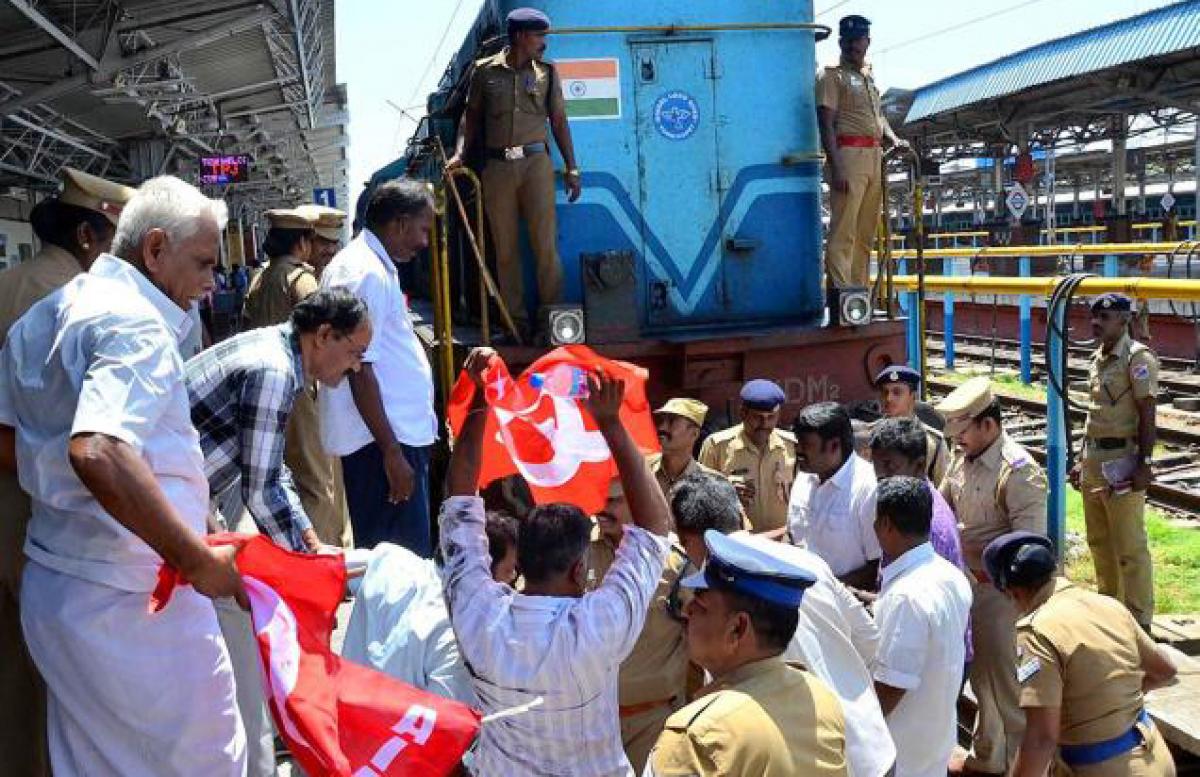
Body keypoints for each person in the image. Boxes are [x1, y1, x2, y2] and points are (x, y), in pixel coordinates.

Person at [0, 176, 246, 776]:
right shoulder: (135, 324)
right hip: (134, 599)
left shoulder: (45, 315)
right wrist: (193, 555)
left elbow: (10, 439)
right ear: (155, 249)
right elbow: (99, 449)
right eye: (204, 264)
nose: (212, 284)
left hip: (59, 587)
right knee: (206, 761)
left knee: (95, 762)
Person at [441, 348, 670, 776]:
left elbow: (458, 506)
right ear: (579, 570)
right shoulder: (597, 627)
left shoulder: (479, 615)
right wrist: (610, 423)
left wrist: (480, 401)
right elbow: (656, 529)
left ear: (521, 561)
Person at [0, 166, 134, 777]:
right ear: (88, 236)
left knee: (14, 666)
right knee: (63, 667)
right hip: (41, 509)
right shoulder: (70, 303)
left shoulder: (10, 281)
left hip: (9, 502)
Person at [672, 473, 894, 777]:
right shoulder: (806, 561)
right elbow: (870, 640)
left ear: (686, 540)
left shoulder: (716, 598)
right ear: (741, 515)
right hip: (872, 749)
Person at [646, 530, 848, 776]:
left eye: (700, 605)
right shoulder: (821, 699)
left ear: (737, 629)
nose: (687, 611)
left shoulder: (697, 737)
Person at [982, 532, 1177, 777]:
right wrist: (1112, 697)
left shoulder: (1037, 632)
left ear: (1013, 592)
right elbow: (1165, 671)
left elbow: (1042, 738)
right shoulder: (1108, 605)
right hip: (1154, 758)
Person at [447, 7, 581, 336]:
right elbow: (471, 117)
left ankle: (553, 322)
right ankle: (516, 324)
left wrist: (572, 167)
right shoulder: (484, 72)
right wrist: (460, 152)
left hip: (536, 165)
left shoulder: (548, 72)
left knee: (544, 247)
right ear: (520, 36)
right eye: (539, 37)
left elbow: (559, 122)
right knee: (505, 251)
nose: (544, 44)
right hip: (497, 169)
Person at [937, 377, 1048, 777]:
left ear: (988, 425)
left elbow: (1031, 551)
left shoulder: (1018, 472)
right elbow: (945, 509)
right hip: (969, 589)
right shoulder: (960, 458)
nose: (957, 439)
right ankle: (989, 755)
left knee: (1010, 689)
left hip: (1002, 596)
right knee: (984, 682)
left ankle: (1023, 764)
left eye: (963, 430)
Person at [320, 180, 437, 554]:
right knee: (399, 565)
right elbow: (359, 368)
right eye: (423, 229)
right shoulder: (365, 273)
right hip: (382, 442)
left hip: (389, 437)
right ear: (400, 224)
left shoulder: (372, 266)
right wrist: (391, 453)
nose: (424, 242)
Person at [244, 207, 352, 548]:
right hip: (300, 390)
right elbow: (326, 334)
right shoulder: (300, 279)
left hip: (266, 386)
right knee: (317, 481)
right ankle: (322, 558)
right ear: (303, 243)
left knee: (282, 477)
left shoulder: (259, 278)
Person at [341, 510, 520, 705]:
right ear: (482, 570)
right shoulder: (459, 640)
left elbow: (319, 567)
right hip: (392, 731)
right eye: (509, 570)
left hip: (340, 715)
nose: (512, 580)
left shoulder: (388, 558)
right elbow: (444, 721)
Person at [586, 475, 693, 773]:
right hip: (589, 723)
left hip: (654, 723)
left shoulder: (674, 564)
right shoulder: (576, 552)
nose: (602, 508)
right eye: (599, 498)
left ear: (639, 502)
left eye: (614, 501)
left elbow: (702, 637)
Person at [871, 476, 972, 777]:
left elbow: (890, 688)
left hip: (902, 756)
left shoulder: (906, 598)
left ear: (886, 524)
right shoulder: (950, 576)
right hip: (934, 743)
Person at [1072, 293, 1158, 629]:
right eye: (1094, 317)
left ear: (1123, 321)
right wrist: (1081, 459)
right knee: (1100, 543)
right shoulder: (1099, 358)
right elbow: (1094, 415)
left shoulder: (1137, 358)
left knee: (1129, 547)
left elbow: (1148, 412)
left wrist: (1145, 463)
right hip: (1095, 461)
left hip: (1122, 461)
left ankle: (1140, 622)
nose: (1096, 323)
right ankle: (1110, 616)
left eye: (1104, 318)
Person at [816, 15, 909, 290]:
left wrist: (893, 138)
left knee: (865, 232)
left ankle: (859, 293)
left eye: (858, 40)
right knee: (844, 230)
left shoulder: (868, 77)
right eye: (848, 41)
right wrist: (837, 166)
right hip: (848, 155)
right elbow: (825, 122)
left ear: (868, 42)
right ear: (840, 42)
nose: (853, 46)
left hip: (874, 157)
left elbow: (878, 116)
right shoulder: (832, 76)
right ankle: (842, 294)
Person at [787, 402, 881, 590]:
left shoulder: (868, 489)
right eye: (797, 443)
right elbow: (792, 535)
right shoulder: (804, 476)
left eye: (805, 445)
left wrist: (822, 592)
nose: (797, 451)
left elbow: (876, 567)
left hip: (843, 607)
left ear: (834, 446)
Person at [698, 380, 796, 534]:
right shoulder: (717, 446)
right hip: (737, 543)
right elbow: (700, 498)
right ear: (742, 413)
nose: (764, 424)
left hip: (783, 541)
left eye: (771, 417)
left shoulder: (792, 446)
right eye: (758, 417)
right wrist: (726, 495)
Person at [872, 364, 949, 485]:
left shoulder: (933, 442)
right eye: (885, 392)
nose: (889, 398)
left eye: (897, 392)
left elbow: (943, 489)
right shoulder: (871, 435)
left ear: (913, 396)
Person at [649, 397, 718, 498]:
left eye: (671, 422)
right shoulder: (641, 470)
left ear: (694, 433)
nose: (661, 428)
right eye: (660, 421)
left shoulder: (713, 485)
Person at [295, 203, 347, 277]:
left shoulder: (337, 275)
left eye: (335, 242)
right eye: (324, 242)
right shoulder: (291, 275)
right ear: (303, 242)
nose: (331, 250)